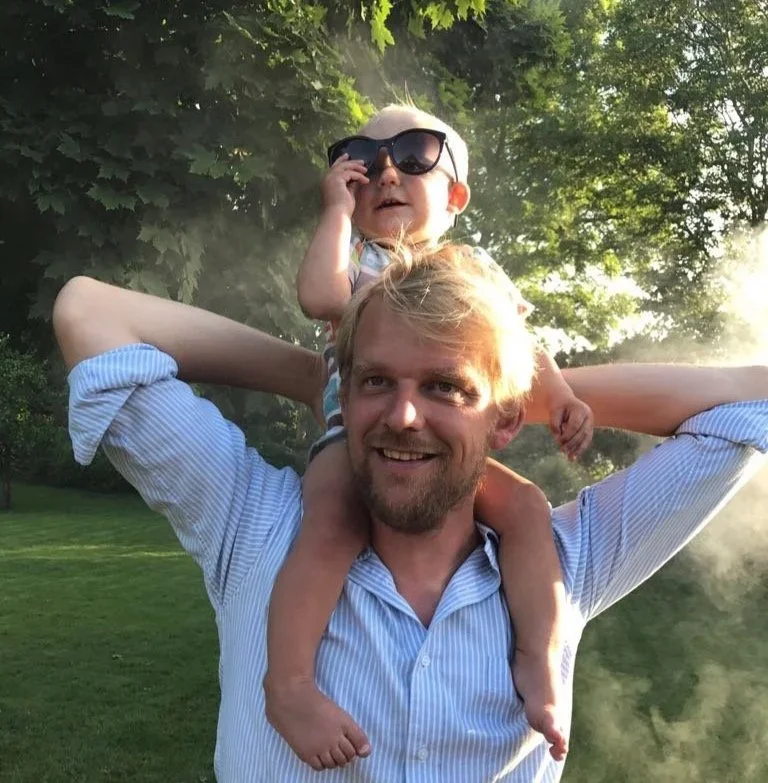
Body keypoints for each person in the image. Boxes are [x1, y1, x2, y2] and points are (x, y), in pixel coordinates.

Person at [55, 246, 768, 782]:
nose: (400, 415)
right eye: (376, 381)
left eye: (442, 386)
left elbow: (753, 398)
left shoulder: (558, 563)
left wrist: (510, 389)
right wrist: (317, 377)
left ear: (506, 419)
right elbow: (91, 313)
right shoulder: (254, 526)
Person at [267, 103, 593, 767]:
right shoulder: (357, 258)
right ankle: (289, 683)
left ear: (455, 195)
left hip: (443, 452)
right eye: (364, 159)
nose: (385, 171)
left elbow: (516, 342)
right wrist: (334, 209)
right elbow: (320, 297)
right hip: (352, 439)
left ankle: (536, 660)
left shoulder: (473, 275)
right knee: (330, 526)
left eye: (414, 154)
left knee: (528, 508)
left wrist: (558, 393)